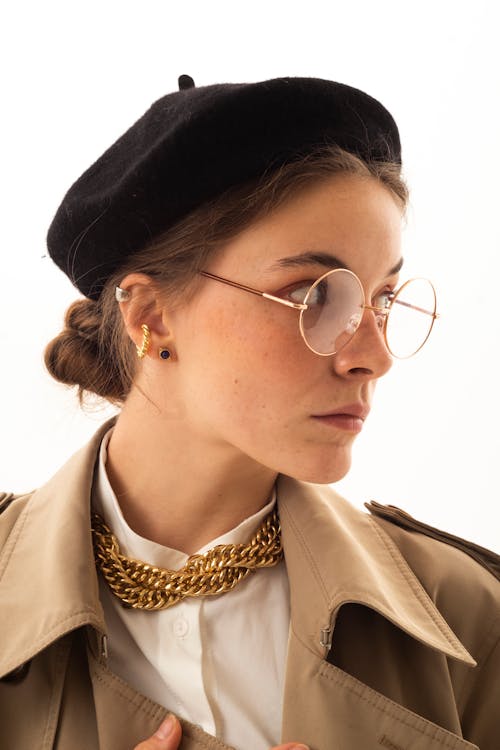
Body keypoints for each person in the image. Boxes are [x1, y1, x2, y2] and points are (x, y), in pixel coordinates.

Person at [0, 75, 498, 750]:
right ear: (151, 318)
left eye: (381, 299)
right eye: (317, 297)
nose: (374, 356)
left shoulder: (469, 620)